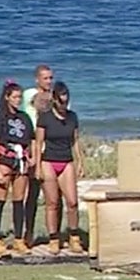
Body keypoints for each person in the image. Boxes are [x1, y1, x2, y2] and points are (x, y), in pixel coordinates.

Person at [34, 81, 87, 256]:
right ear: (55, 100)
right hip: (48, 161)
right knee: (52, 203)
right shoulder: (45, 117)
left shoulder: (72, 117)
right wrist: (37, 166)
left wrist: (80, 161)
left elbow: (75, 141)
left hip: (66, 161)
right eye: (62, 101)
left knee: (72, 201)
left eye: (67, 100)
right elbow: (39, 143)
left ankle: (74, 236)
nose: (64, 104)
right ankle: (54, 238)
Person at [0, 80, 35, 256]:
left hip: (21, 161)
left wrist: (31, 157)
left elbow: (31, 139)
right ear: (7, 97)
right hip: (5, 160)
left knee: (18, 201)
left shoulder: (24, 117)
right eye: (14, 97)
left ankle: (18, 239)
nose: (17, 100)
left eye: (19, 97)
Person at [22, 64, 56, 246]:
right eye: (45, 78)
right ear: (37, 79)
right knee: (32, 192)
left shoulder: (56, 96)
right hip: (34, 144)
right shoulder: (29, 94)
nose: (49, 81)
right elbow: (31, 108)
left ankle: (55, 233)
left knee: (54, 195)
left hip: (52, 146)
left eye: (51, 78)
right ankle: (28, 231)